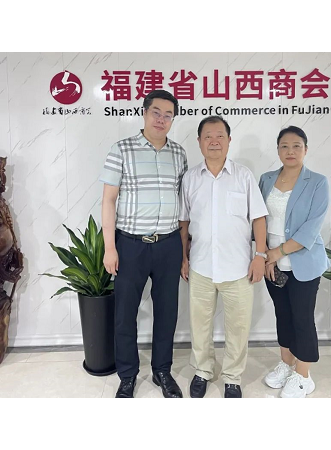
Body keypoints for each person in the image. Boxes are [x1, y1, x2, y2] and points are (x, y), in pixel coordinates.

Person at [99, 90, 188, 398]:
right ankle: (127, 375)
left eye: (168, 115)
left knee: (167, 311)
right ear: (145, 113)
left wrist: (184, 250)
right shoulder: (121, 149)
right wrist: (110, 247)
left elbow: (183, 204)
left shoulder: (179, 153)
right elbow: (108, 200)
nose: (161, 119)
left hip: (168, 244)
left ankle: (162, 370)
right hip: (130, 245)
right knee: (125, 313)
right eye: (156, 113)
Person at [179, 116, 268, 398]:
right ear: (199, 142)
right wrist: (183, 258)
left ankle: (232, 377)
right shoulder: (190, 178)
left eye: (220, 136)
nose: (214, 141)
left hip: (239, 268)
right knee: (200, 325)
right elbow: (184, 223)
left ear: (229, 141)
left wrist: (260, 255)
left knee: (238, 327)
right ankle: (203, 370)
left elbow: (259, 218)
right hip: (201, 266)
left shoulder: (244, 176)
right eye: (208, 136)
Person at [258, 125, 330, 398]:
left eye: (296, 146)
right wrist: (265, 255)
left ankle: (303, 375)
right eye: (284, 146)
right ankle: (287, 364)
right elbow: (258, 219)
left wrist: (277, 252)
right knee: (283, 316)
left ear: (306, 149)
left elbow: (311, 228)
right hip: (272, 263)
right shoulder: (266, 179)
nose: (290, 151)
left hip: (303, 262)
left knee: (302, 318)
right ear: (278, 150)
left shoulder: (318, 182)